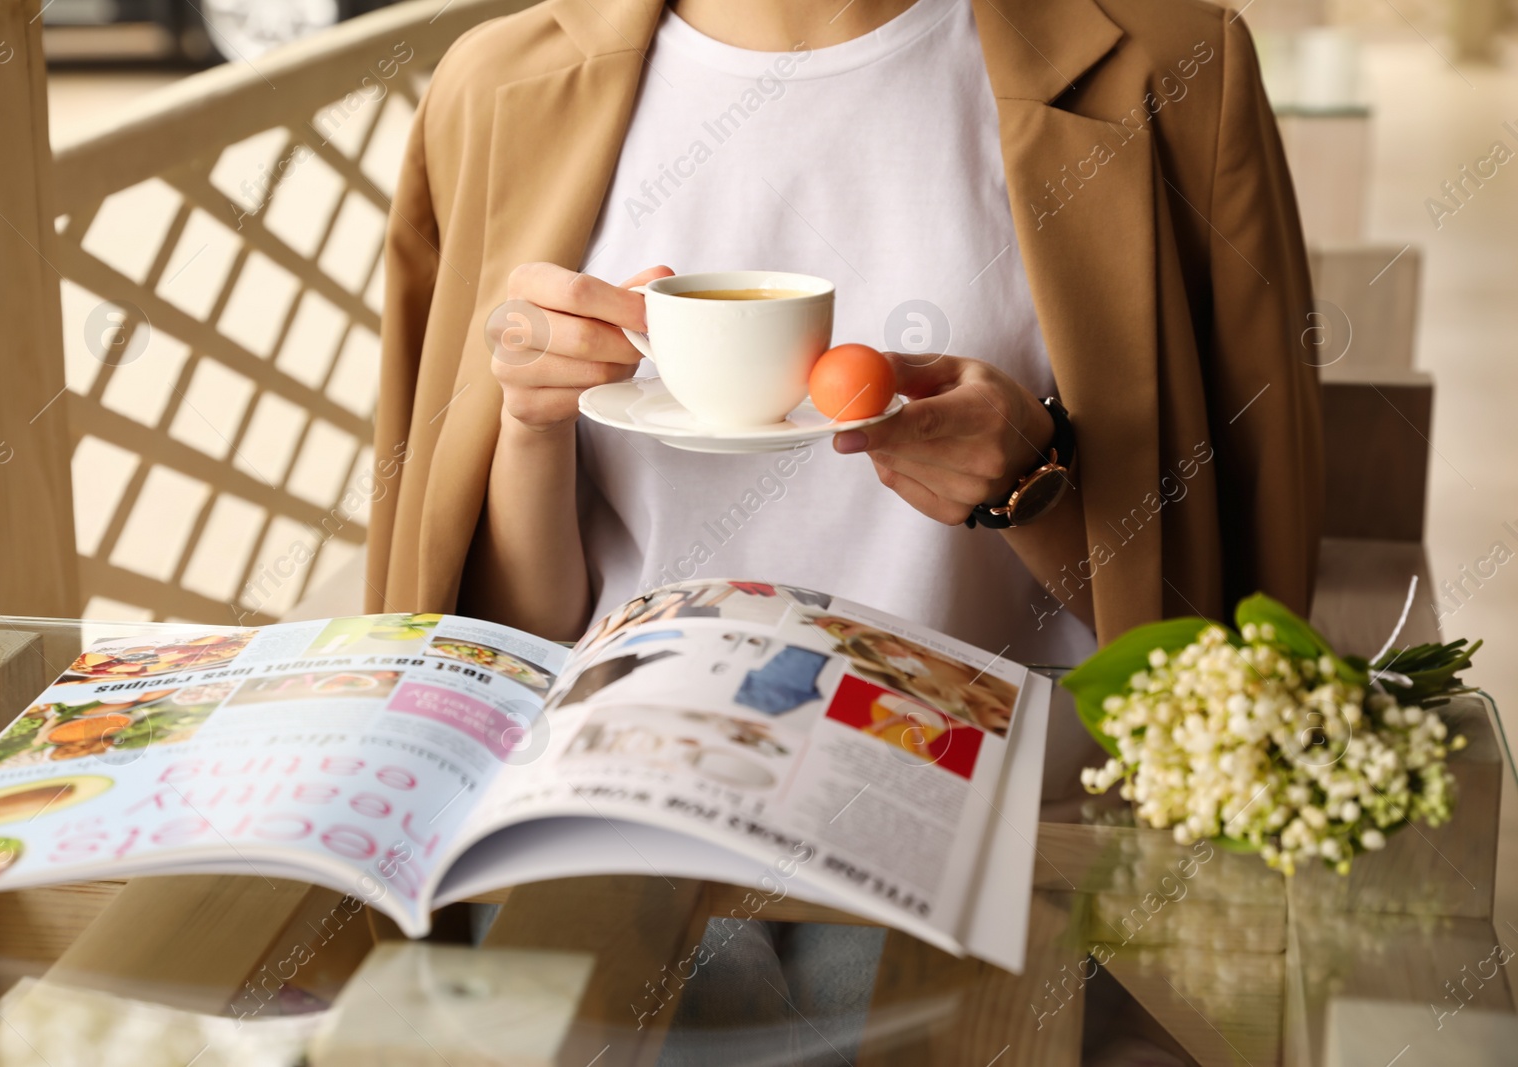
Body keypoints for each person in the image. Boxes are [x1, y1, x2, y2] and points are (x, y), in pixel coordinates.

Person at [370, 0, 1320, 1062]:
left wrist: (1029, 481)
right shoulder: (494, 88)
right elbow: (506, 628)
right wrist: (530, 421)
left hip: (1011, 830)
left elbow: (1237, 625)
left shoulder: (1173, 66)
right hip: (614, 808)